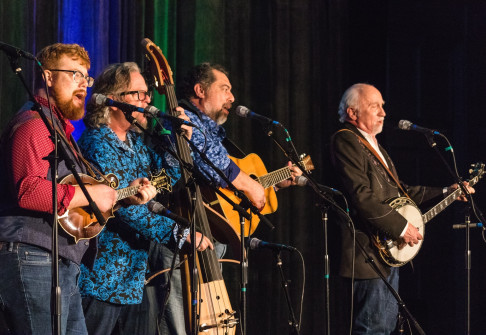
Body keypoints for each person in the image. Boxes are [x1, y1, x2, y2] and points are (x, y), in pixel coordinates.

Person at [0, 43, 151, 334]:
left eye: (86, 77)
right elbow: (28, 190)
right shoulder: (33, 125)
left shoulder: (60, 131)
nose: (83, 84)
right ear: (47, 77)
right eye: (74, 74)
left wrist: (120, 198)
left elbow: (75, 200)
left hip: (62, 261)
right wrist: (92, 194)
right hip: (31, 255)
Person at [147, 62, 301, 334]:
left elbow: (219, 186)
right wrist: (246, 184)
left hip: (212, 234)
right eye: (225, 89)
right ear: (200, 90)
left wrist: (272, 184)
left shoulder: (213, 132)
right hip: (180, 236)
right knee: (180, 325)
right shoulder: (182, 119)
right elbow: (208, 161)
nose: (232, 97)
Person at [77, 61, 212, 335]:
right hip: (103, 277)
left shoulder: (135, 142)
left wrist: (179, 143)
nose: (148, 100)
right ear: (114, 101)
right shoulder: (97, 143)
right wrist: (179, 233)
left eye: (147, 93)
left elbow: (164, 180)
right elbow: (127, 210)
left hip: (134, 279)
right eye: (138, 94)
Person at [330, 83, 474, 334]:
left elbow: (403, 192)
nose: (383, 113)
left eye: (383, 106)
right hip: (367, 256)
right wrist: (402, 227)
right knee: (372, 330)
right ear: (353, 113)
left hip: (386, 256)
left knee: (384, 328)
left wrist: (445, 192)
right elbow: (361, 196)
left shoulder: (375, 147)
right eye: (375, 106)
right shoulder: (345, 140)